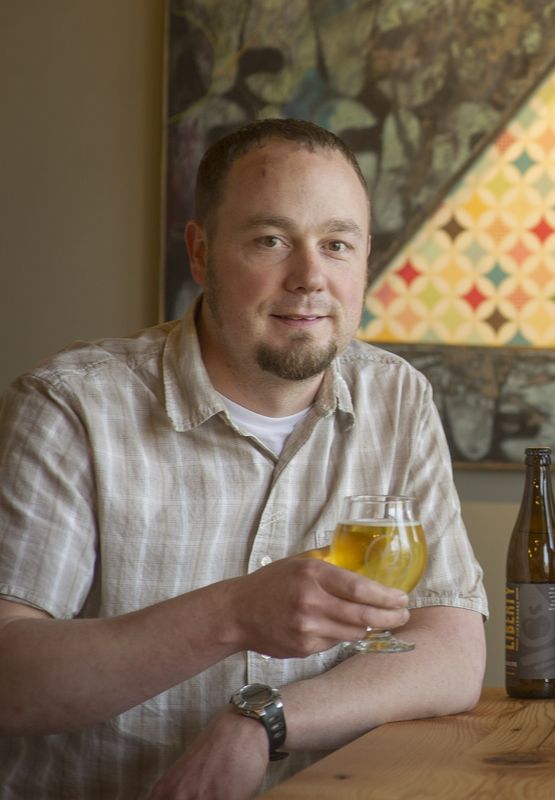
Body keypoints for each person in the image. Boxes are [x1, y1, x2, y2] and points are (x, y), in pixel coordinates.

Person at [0, 119, 488, 798]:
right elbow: (10, 681)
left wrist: (263, 721)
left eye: (337, 244)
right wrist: (233, 615)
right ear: (200, 254)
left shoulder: (397, 397)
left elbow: (453, 653)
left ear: (365, 260)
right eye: (271, 241)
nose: (310, 278)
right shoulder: (71, 406)